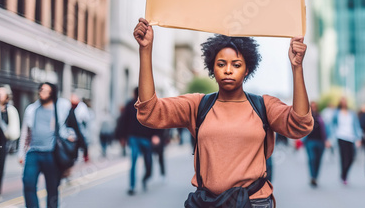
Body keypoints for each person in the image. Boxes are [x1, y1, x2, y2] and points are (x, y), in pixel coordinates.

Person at [133, 18, 313, 207]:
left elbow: (300, 124)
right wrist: (145, 51)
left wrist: (297, 68)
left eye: (236, 65)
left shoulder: (263, 106)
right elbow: (149, 112)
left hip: (253, 203)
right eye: (221, 64)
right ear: (213, 68)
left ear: (246, 70)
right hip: (208, 203)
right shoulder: (198, 105)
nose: (228, 70)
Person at [18, 82, 84, 208]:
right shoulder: (32, 109)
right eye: (41, 90)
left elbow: (72, 128)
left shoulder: (61, 108)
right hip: (33, 152)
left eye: (46, 90)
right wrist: (21, 153)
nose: (42, 93)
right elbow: (25, 133)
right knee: (28, 184)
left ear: (52, 93)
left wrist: (70, 137)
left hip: (52, 153)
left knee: (52, 189)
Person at [0, 86, 21, 201]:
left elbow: (13, 128)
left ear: (7, 96)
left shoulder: (9, 110)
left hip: (1, 143)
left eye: (2, 93)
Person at [121, 87, 155, 195]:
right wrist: (123, 137)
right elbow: (124, 121)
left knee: (148, 162)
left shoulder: (148, 106)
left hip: (146, 138)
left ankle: (145, 178)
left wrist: (156, 135)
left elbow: (155, 121)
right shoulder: (130, 104)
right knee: (133, 160)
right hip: (133, 137)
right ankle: (132, 186)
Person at [331, 96, 362, 185]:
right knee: (344, 157)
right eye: (342, 101)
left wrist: (358, 138)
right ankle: (344, 176)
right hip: (341, 136)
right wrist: (333, 135)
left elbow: (356, 125)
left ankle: (344, 173)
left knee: (351, 157)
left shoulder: (351, 113)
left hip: (351, 137)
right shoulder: (337, 113)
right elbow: (332, 124)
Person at [303, 101, 329, 188]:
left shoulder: (320, 117)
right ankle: (312, 177)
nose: (313, 108)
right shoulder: (306, 117)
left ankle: (315, 177)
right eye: (312, 106)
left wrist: (326, 140)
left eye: (315, 106)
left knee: (318, 160)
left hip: (320, 142)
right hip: (310, 141)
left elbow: (325, 129)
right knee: (312, 159)